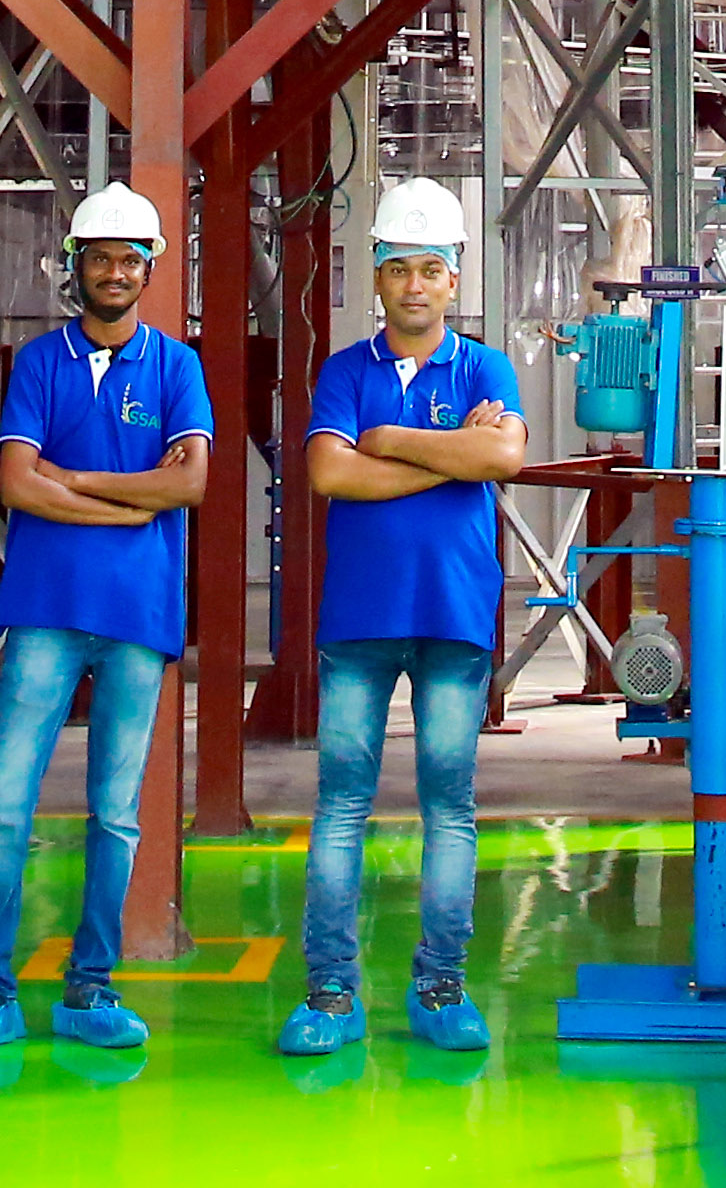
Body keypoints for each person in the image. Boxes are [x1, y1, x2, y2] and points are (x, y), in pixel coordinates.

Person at [0, 184, 215, 1061]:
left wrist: (72, 483)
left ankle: (91, 987)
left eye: (131, 259)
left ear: (149, 271)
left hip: (138, 616)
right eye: (100, 257)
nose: (115, 272)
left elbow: (189, 485)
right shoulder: (39, 363)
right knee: (5, 804)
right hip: (45, 612)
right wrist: (129, 501)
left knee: (116, 814)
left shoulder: (176, 368)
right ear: (74, 269)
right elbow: (16, 483)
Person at [280, 178, 530, 1058]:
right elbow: (327, 476)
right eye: (399, 270)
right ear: (376, 281)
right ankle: (330, 993)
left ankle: (440, 984)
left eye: (431, 269)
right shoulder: (345, 371)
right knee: (342, 805)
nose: (415, 285)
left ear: (453, 280)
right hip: (359, 617)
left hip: (456, 615)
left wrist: (387, 440)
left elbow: (503, 453)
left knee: (448, 808)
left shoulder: (486, 368)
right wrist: (451, 458)